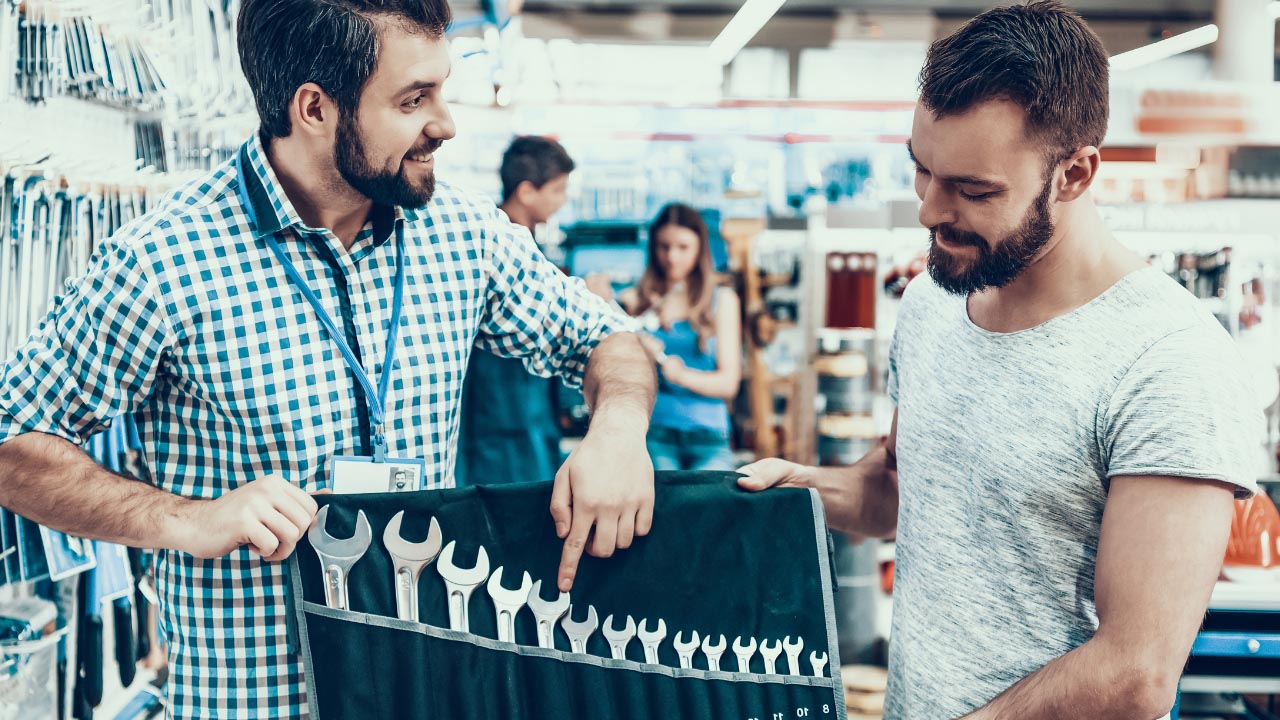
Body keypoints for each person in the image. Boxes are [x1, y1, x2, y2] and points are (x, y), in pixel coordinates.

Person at [0, 1, 657, 717]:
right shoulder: (164, 261)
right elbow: (13, 446)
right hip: (252, 699)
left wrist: (618, 433)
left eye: (440, 89)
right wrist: (185, 519)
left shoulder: (464, 235)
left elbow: (605, 338)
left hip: (423, 689)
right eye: (413, 100)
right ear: (314, 107)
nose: (445, 122)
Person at [739, 3, 1262, 719]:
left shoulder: (1170, 363)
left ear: (1074, 175)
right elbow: (901, 493)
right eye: (923, 170)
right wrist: (801, 490)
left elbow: (1135, 673)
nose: (928, 209)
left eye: (973, 190)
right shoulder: (932, 302)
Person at [457, 136, 576, 487]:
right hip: (502, 407)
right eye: (557, 190)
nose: (562, 200)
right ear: (526, 191)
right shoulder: (494, 246)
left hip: (528, 408)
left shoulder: (528, 246)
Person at [620, 203, 741, 471]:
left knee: (711, 507)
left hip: (710, 437)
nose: (672, 257)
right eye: (664, 246)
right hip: (657, 432)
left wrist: (680, 375)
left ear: (700, 248)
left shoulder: (722, 300)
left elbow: (728, 384)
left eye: (683, 247)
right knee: (665, 507)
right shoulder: (637, 301)